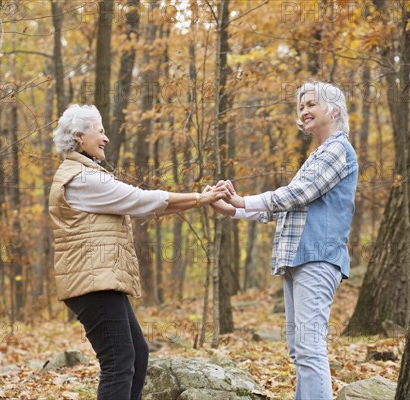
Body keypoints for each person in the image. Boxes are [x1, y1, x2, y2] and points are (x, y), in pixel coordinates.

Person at [48, 104, 230, 400]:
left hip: (98, 279)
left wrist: (199, 199)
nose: (106, 138)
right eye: (101, 131)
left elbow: (145, 205)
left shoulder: (85, 174)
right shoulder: (82, 179)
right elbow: (142, 200)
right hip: (92, 282)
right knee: (118, 363)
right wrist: (201, 197)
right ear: (80, 137)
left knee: (137, 355)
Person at [208, 82, 358, 400]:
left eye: (311, 104)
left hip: (317, 257)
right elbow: (285, 209)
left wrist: (243, 200)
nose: (303, 111)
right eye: (301, 106)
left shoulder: (337, 150)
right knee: (300, 350)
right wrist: (231, 209)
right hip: (298, 259)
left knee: (309, 348)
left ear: (334, 109)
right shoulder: (318, 155)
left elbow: (296, 195)